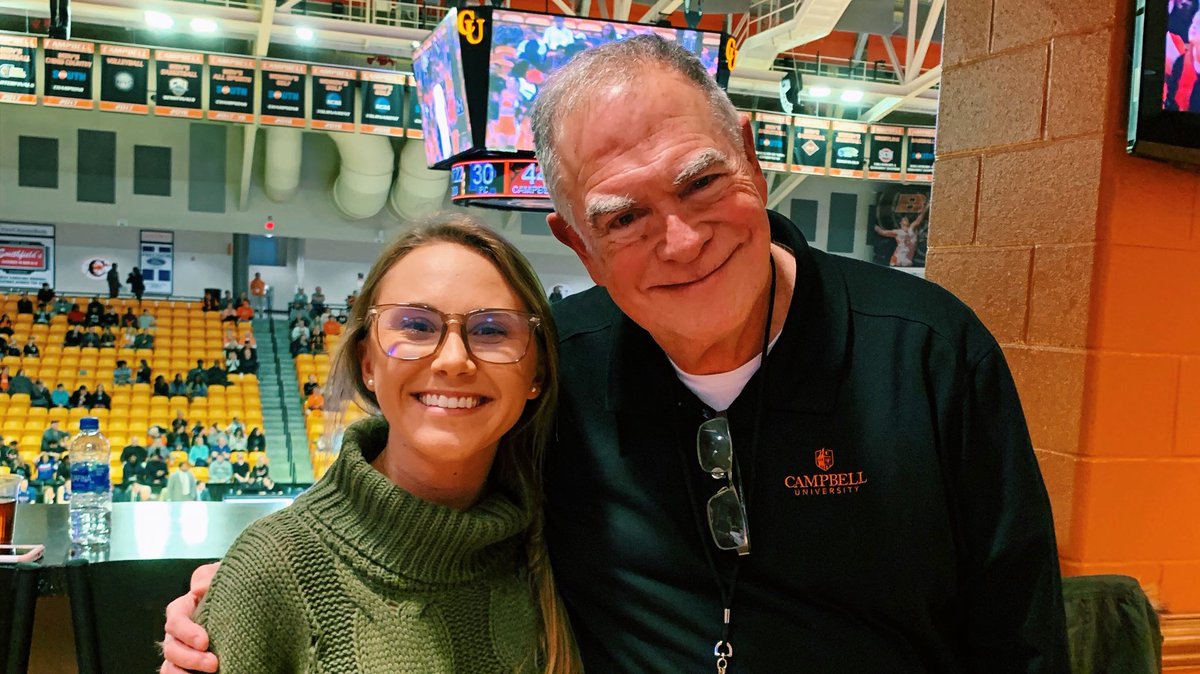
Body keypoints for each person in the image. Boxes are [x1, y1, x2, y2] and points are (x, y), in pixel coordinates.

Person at [163, 37, 1068, 673]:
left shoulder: (931, 353)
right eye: (623, 217)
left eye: (701, 181)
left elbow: (1021, 639)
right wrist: (248, 590)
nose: (681, 241)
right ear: (576, 242)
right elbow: (423, 509)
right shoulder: (566, 369)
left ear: (750, 155)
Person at [160, 215, 574, 673]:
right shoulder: (270, 571)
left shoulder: (568, 551)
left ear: (537, 371)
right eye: (416, 325)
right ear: (368, 364)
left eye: (492, 330)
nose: (454, 360)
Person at [874, 200, 930, 268]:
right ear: (900, 223)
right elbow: (882, 232)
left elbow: (918, 220)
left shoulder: (912, 229)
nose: (906, 220)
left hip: (907, 261)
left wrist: (927, 206)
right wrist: (871, 225)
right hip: (897, 259)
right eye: (904, 219)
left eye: (906, 219)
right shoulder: (897, 232)